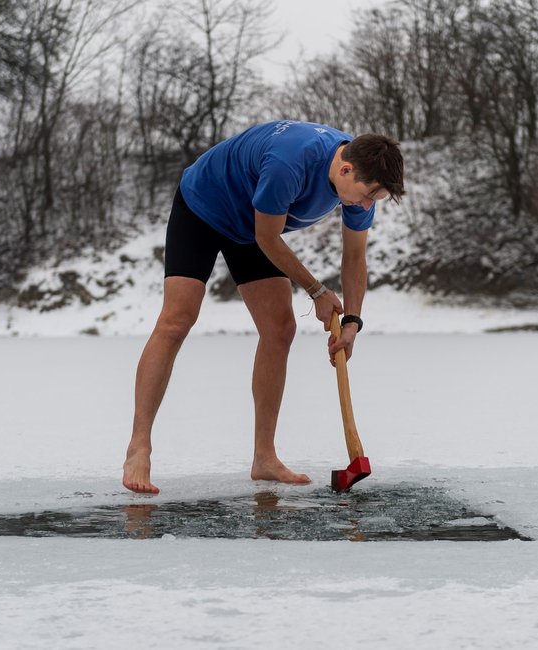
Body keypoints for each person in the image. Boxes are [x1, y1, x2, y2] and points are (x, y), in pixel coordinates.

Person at [122, 119, 405, 494]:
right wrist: (317, 291)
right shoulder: (290, 162)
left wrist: (352, 320)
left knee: (280, 329)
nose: (367, 205)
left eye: (375, 200)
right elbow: (267, 238)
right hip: (204, 206)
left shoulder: (359, 182)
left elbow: (354, 258)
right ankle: (139, 447)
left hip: (252, 226)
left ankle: (264, 457)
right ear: (345, 169)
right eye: (368, 195)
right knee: (177, 319)